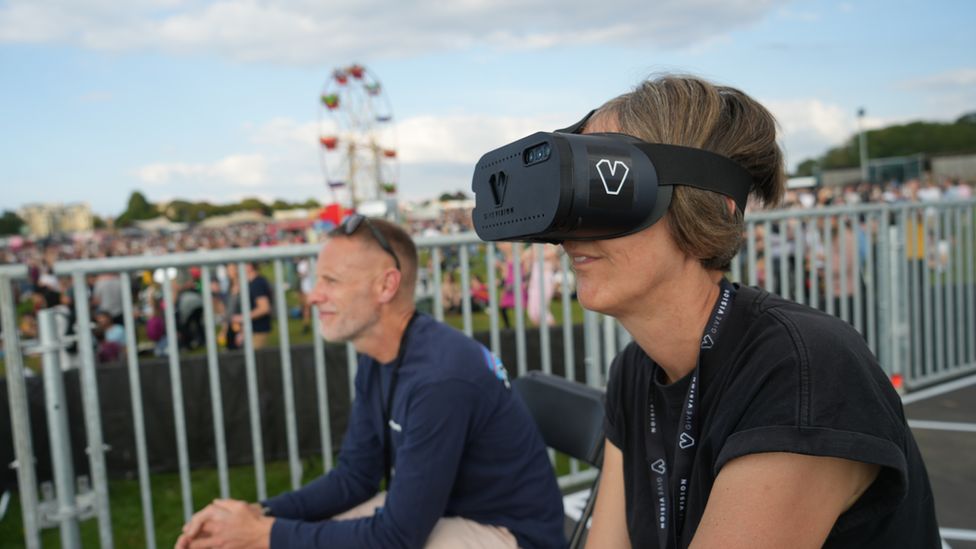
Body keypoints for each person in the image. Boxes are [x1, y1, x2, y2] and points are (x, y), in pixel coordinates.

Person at [541, 75, 940, 548]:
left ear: (710, 204)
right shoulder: (636, 369)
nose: (573, 228)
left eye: (607, 187)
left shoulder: (803, 367)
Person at [175, 215, 566, 549]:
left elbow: (396, 537)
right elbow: (354, 478)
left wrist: (264, 534)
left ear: (386, 286)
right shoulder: (379, 356)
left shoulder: (440, 378)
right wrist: (257, 514)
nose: (313, 296)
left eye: (330, 280)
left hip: (510, 535)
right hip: (444, 515)